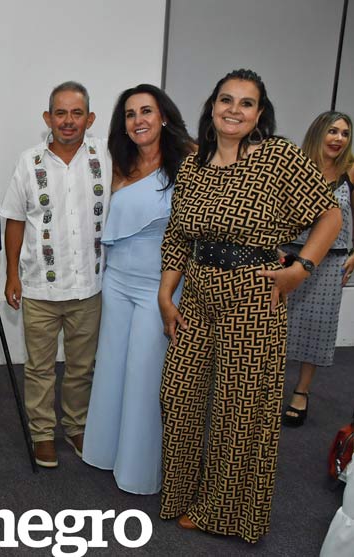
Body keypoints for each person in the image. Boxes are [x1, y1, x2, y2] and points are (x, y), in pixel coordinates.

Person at [158, 68, 341, 542]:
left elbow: (331, 214)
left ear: (259, 114)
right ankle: (182, 490)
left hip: (253, 296)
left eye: (246, 103)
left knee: (238, 408)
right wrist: (165, 293)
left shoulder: (278, 156)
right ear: (212, 107)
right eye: (226, 100)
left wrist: (301, 268)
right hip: (197, 295)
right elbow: (177, 235)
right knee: (177, 395)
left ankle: (222, 510)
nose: (234, 110)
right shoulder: (193, 165)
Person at [81, 84, 194, 493]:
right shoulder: (117, 163)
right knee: (111, 368)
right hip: (116, 281)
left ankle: (138, 472)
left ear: (163, 116)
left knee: (145, 375)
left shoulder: (190, 161)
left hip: (160, 286)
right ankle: (105, 453)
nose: (138, 120)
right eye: (130, 114)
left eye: (146, 111)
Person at [0, 81, 111, 468]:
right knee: (40, 368)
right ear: (48, 118)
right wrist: (11, 275)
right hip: (39, 288)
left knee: (82, 367)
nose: (68, 120)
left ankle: (76, 427)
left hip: (88, 288)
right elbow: (15, 220)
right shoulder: (29, 162)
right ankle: (42, 433)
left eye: (76, 113)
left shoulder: (105, 157)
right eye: (60, 113)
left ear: (89, 119)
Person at [281, 111, 354, 427]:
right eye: (333, 131)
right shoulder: (296, 168)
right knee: (277, 326)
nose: (339, 138)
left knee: (316, 328)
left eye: (345, 133)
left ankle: (302, 390)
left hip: (330, 262)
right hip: (290, 257)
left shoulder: (350, 172)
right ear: (318, 133)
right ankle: (268, 388)